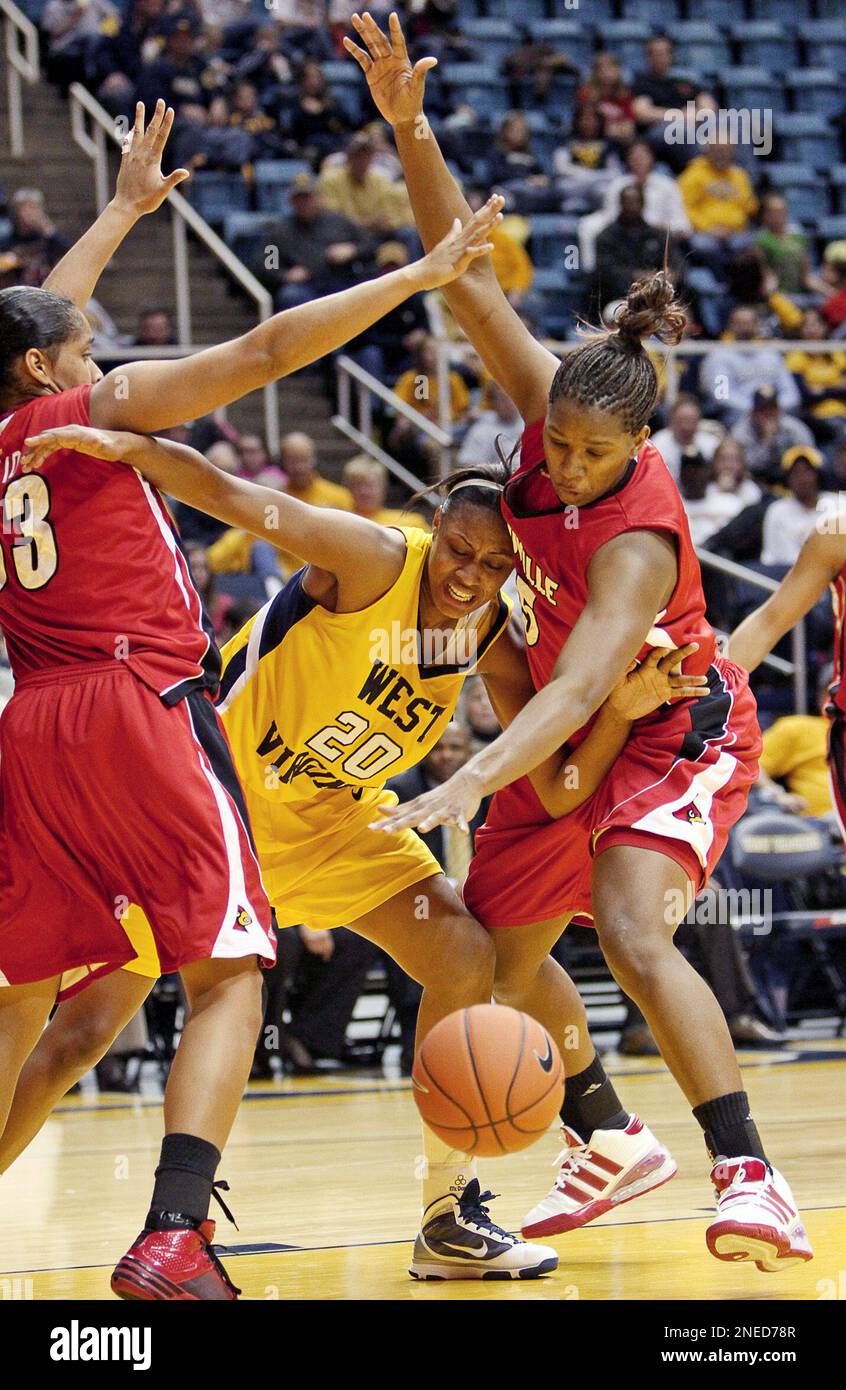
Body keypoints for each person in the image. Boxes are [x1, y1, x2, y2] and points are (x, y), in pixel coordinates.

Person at [0, 98, 506, 1300]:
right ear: (47, 370)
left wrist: (122, 211)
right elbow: (267, 351)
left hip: (32, 721)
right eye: (82, 349)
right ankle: (176, 1235)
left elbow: (37, 323)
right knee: (232, 970)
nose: (99, 350)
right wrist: (423, 272)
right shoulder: (94, 414)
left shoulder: (8, 423)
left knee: (31, 1000)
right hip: (139, 697)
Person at [345, 11, 812, 1272]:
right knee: (480, 962)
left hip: (668, 724)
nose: (568, 462)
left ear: (644, 450)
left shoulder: (637, 545)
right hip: (566, 721)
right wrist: (410, 125)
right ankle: (597, 1139)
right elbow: (464, 272)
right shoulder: (553, 407)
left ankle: (752, 1174)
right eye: (560, 443)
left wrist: (468, 775)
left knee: (627, 922)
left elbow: (582, 695)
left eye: (598, 455)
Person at [11, 433, 702, 1281]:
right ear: (433, 526)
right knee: (75, 1038)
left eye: (494, 566)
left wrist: (624, 713)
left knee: (466, 951)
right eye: (458, 551)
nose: (469, 578)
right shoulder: (371, 562)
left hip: (340, 829)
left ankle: (447, 1216)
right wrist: (127, 441)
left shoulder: (476, 632)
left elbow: (558, 786)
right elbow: (235, 496)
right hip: (215, 811)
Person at [760, 446, 837, 568]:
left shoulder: (839, 504)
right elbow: (784, 561)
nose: (802, 478)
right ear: (787, 479)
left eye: (807, 471)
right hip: (787, 578)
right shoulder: (777, 511)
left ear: (818, 475)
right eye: (795, 472)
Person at [731, 385, 816, 486]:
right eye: (763, 409)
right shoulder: (741, 432)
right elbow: (746, 467)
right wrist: (767, 441)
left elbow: (811, 457)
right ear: (753, 412)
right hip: (757, 481)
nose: (769, 414)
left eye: (772, 408)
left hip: (790, 479)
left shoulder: (793, 428)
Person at [650, 393, 720, 483]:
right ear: (671, 421)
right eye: (682, 420)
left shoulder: (711, 445)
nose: (686, 426)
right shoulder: (658, 445)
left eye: (691, 421)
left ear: (699, 422)